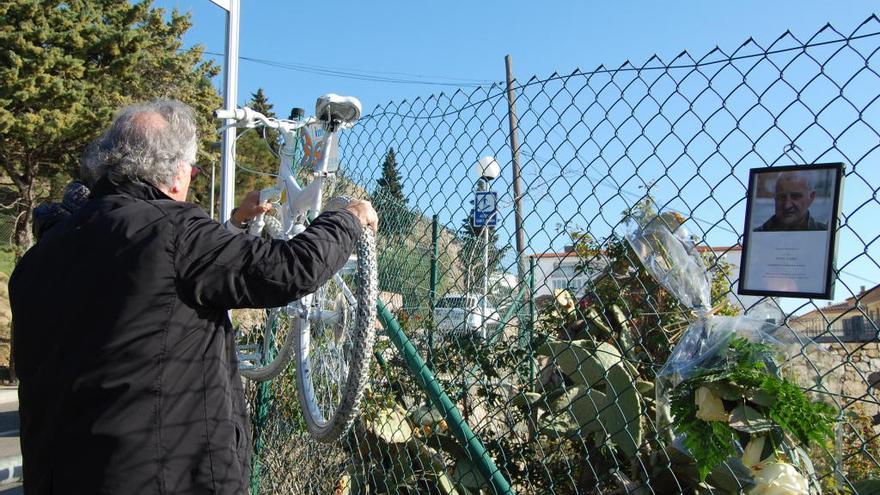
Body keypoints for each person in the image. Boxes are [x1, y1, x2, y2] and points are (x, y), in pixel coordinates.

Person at [9, 100, 377, 494]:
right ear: (174, 173)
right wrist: (347, 219)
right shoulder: (173, 230)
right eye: (193, 169)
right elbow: (289, 269)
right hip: (163, 477)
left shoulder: (38, 260)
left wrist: (235, 225)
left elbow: (162, 291)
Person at [754, 170, 828, 232]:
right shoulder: (756, 236)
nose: (787, 205)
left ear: (811, 197)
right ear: (775, 198)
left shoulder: (825, 234)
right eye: (781, 197)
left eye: (795, 196)